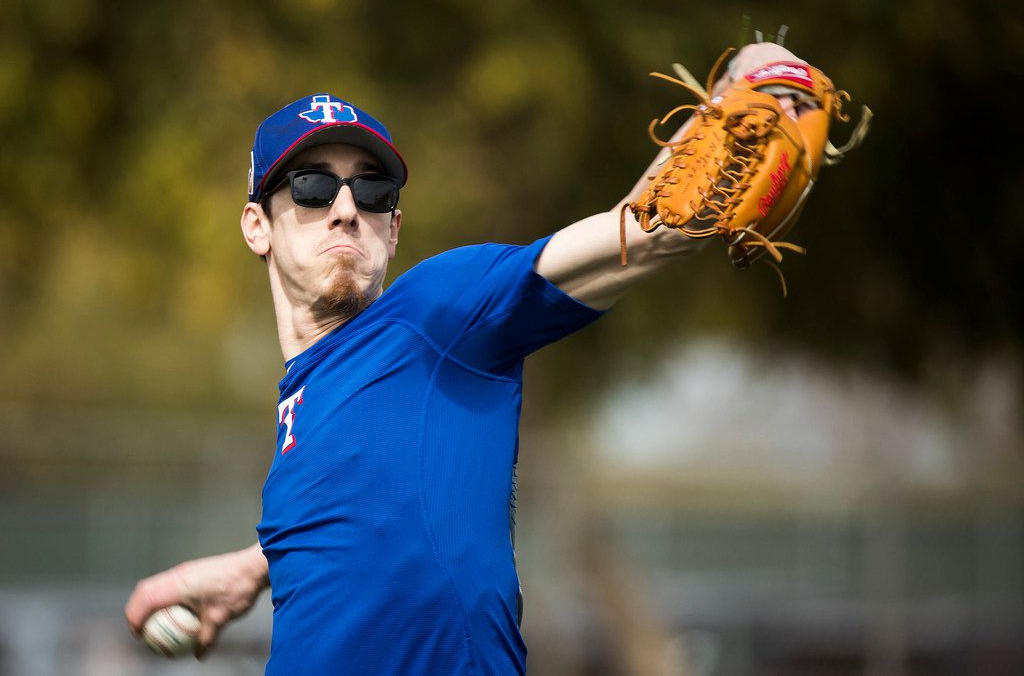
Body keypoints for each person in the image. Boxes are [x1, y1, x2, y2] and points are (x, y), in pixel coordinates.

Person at [125, 43, 804, 674]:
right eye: (309, 187)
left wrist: (744, 87)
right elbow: (373, 508)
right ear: (256, 226)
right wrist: (257, 564)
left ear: (394, 228)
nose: (344, 209)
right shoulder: (301, 407)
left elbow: (648, 227)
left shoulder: (436, 314)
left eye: (372, 190)